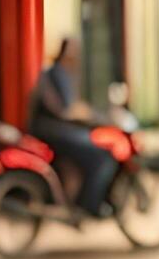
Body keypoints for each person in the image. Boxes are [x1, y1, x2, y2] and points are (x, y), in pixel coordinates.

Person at [28, 37, 116, 217]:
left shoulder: (64, 74)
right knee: (103, 157)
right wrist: (96, 117)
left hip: (54, 128)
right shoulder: (57, 74)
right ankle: (88, 205)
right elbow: (67, 110)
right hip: (53, 130)